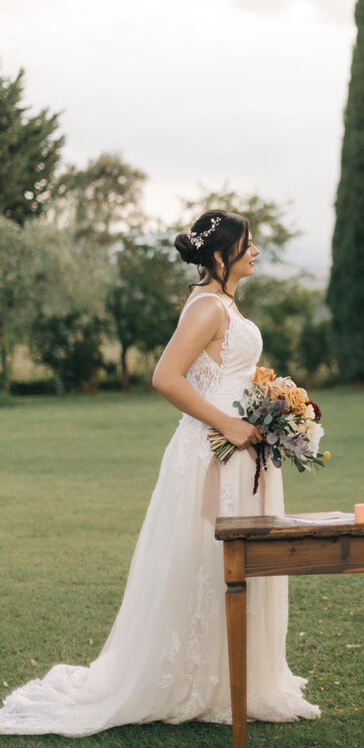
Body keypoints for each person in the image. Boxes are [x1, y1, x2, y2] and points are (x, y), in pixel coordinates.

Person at [0, 209, 319, 736]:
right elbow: (165, 377)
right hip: (215, 448)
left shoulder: (223, 305)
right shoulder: (208, 307)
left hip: (241, 448)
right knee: (206, 556)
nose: (257, 251)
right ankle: (196, 677)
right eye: (249, 244)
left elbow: (224, 373)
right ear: (222, 256)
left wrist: (272, 405)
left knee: (235, 556)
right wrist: (231, 425)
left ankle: (235, 675)